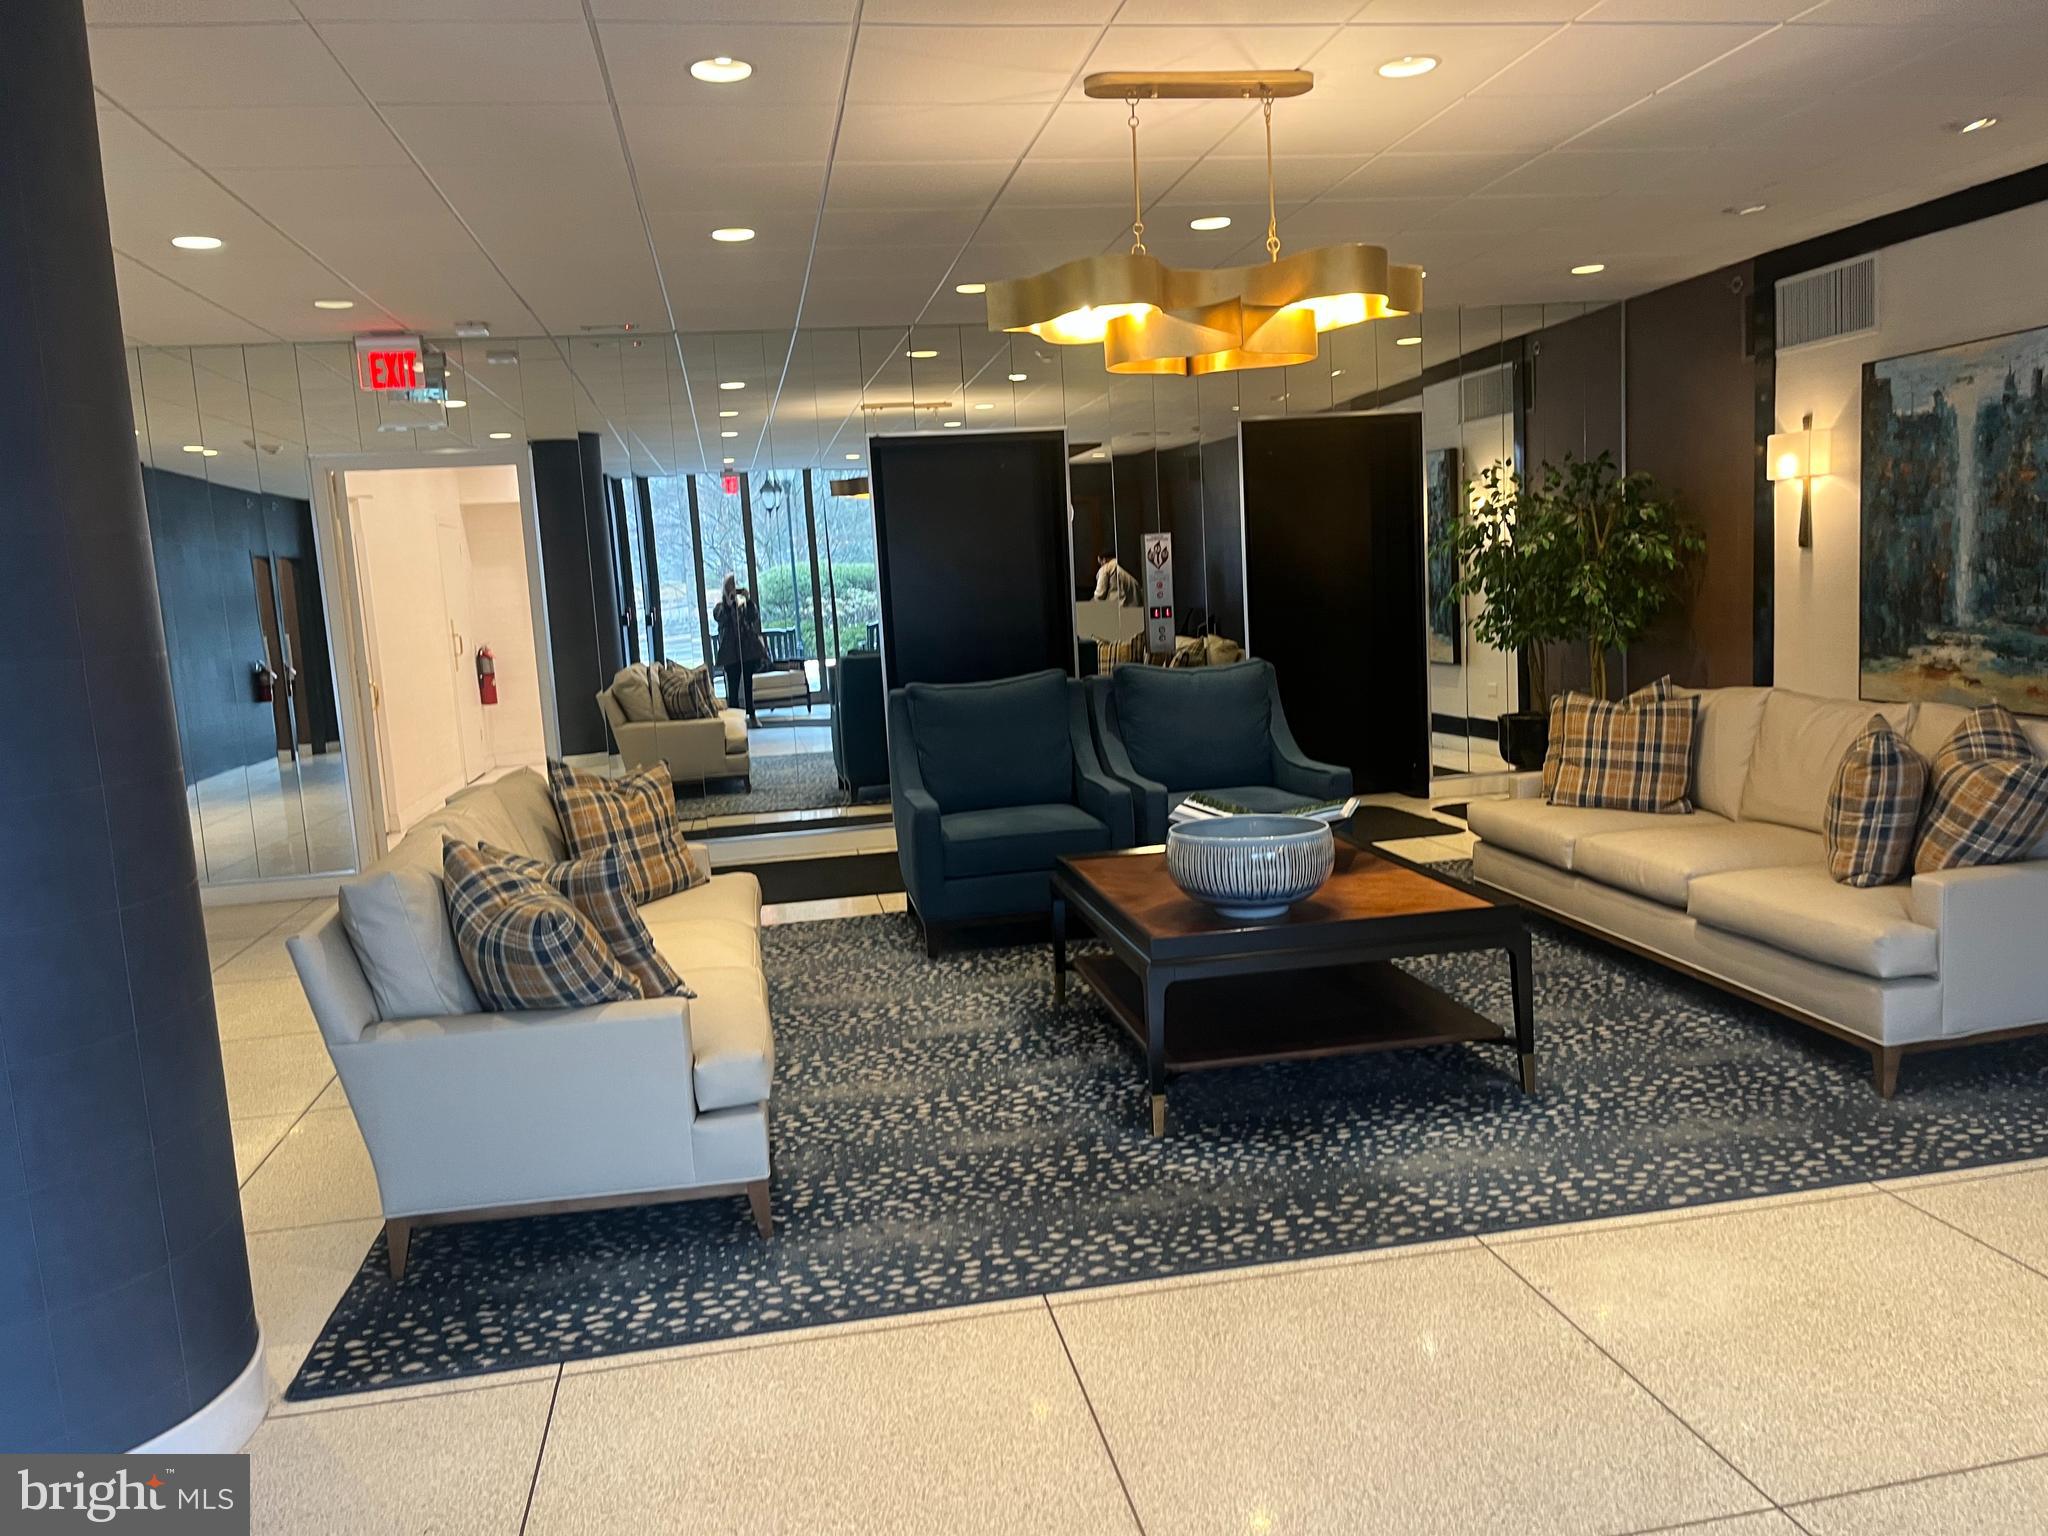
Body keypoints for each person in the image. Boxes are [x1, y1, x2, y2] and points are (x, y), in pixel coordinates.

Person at [712, 572, 766, 726]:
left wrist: (748, 600)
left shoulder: (742, 605)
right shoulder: (719, 608)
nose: (733, 591)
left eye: (735, 587)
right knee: (733, 688)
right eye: (730, 588)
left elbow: (753, 617)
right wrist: (728, 605)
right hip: (730, 655)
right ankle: (735, 720)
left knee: (748, 685)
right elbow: (720, 618)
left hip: (747, 651)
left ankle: (752, 714)